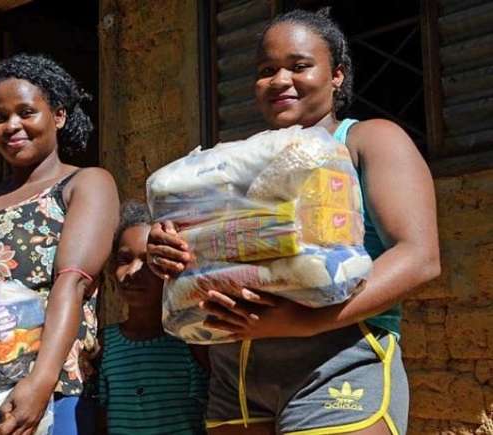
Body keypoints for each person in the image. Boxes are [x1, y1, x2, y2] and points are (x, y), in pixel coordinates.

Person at [147, 8, 440, 435]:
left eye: (299, 66)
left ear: (337, 74)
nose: (280, 80)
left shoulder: (367, 140)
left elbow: (419, 257)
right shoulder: (240, 160)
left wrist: (301, 322)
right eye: (266, 70)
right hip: (238, 375)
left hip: (338, 361)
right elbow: (215, 254)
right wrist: (171, 249)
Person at [0, 53, 119, 435]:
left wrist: (39, 382)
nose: (12, 126)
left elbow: (74, 282)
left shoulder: (85, 184)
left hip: (52, 392)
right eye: (0, 117)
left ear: (59, 116)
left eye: (26, 112)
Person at [98, 201, 208, 434]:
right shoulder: (104, 345)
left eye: (149, 262)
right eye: (124, 260)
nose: (132, 272)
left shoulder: (191, 340)